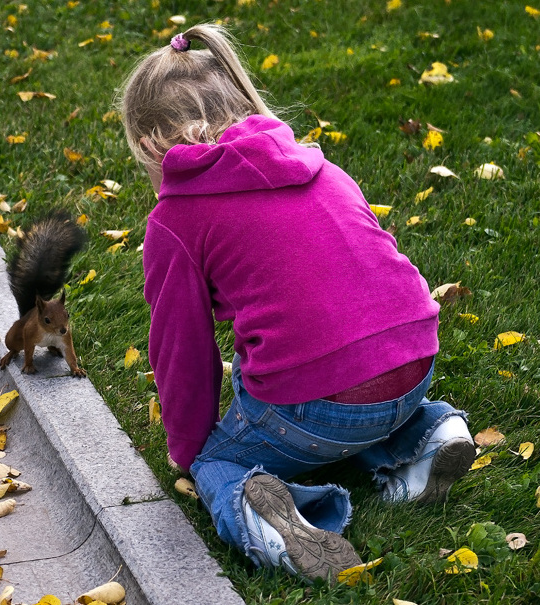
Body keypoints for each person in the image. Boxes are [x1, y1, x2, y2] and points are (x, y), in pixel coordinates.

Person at [119, 24, 476, 582]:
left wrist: (187, 447)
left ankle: (269, 523)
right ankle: (433, 432)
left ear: (146, 144)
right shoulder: (319, 165)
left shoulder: (176, 221)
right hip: (415, 364)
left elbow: (181, 352)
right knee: (353, 399)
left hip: (318, 406)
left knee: (220, 460)